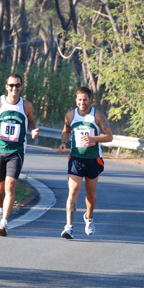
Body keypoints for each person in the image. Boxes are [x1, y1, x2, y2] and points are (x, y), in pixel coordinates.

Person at [0, 74, 39, 236]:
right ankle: (0, 208)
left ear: (21, 87)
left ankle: (4, 223)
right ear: (6, 86)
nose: (15, 88)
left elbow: (31, 121)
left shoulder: (26, 105)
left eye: (18, 85)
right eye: (12, 85)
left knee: (10, 186)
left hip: (17, 151)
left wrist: (33, 130)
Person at [58, 87, 113, 239]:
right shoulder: (70, 115)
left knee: (91, 194)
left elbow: (109, 137)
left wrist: (93, 139)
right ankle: (68, 227)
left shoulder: (97, 115)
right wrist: (63, 142)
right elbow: (66, 130)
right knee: (73, 191)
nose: (82, 103)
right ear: (76, 100)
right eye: (79, 100)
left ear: (90, 100)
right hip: (76, 158)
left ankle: (89, 218)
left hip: (93, 158)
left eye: (85, 100)